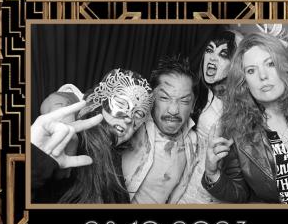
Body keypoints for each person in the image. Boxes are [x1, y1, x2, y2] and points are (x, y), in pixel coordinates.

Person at [203, 33, 288, 203]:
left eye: (270, 64)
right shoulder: (237, 130)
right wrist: (212, 174)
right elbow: (241, 194)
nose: (263, 76)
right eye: (251, 70)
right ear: (244, 82)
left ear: (285, 67)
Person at [33, 67, 153, 204]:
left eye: (138, 114)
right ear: (101, 99)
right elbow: (59, 100)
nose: (129, 118)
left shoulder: (114, 161)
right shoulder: (75, 144)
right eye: (121, 103)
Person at [121, 55, 199, 204]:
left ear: (193, 105)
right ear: (151, 99)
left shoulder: (192, 142)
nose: (173, 110)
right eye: (164, 98)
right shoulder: (131, 127)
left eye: (184, 101)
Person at [178, 31, 238, 203]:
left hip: (210, 189)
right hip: (182, 180)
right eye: (209, 50)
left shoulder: (237, 104)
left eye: (223, 54)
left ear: (234, 63)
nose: (212, 58)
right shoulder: (198, 91)